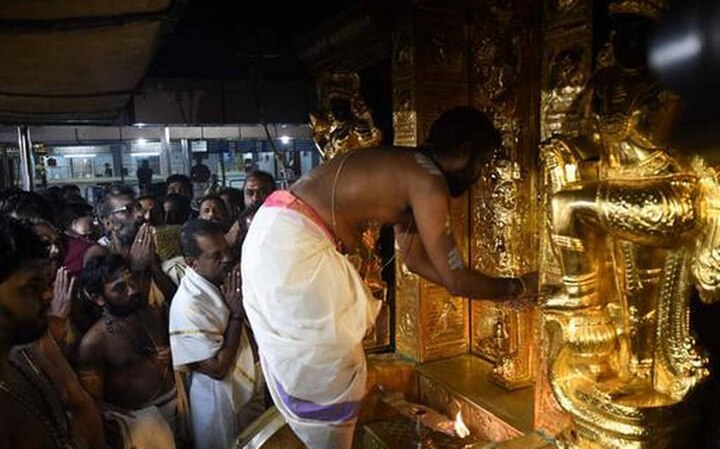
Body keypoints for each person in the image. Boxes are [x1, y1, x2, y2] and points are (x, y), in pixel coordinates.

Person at [241, 107, 537, 448]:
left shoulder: (412, 169)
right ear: (465, 152)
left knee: (327, 368)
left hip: (278, 231)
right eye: (482, 164)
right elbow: (455, 280)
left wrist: (492, 288)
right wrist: (520, 286)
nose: (479, 175)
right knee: (331, 372)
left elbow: (414, 260)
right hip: (292, 244)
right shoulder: (429, 182)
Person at [0, 216, 104, 449]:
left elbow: (79, 402)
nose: (49, 295)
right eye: (31, 287)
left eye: (46, 283)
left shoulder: (28, 350)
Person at [169, 219, 264, 449]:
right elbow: (217, 369)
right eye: (216, 255)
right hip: (217, 397)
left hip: (249, 382)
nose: (227, 259)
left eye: (226, 250)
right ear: (192, 263)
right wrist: (236, 315)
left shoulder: (220, 278)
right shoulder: (188, 303)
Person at [77, 254, 177, 449]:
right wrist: (135, 422)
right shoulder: (93, 342)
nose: (132, 290)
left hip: (181, 407)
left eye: (132, 280)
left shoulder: (152, 313)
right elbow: (93, 401)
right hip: (144, 427)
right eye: (119, 288)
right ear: (98, 298)